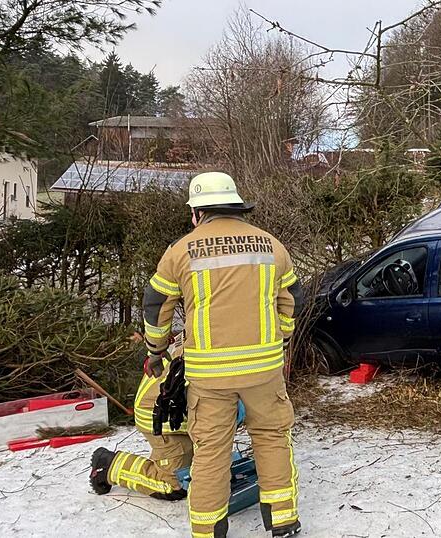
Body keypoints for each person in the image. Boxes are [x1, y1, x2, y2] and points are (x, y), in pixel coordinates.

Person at [142, 172, 300, 538]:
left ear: (197, 212)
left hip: (210, 376)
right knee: (272, 439)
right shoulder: (271, 245)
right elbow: (292, 299)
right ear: (238, 207)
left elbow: (156, 304)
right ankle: (283, 520)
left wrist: (156, 351)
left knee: (211, 450)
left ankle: (208, 529)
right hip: (264, 370)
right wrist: (283, 340)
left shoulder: (181, 250)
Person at [89, 332, 192, 501]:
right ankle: (108, 465)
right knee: (175, 485)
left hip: (173, 407)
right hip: (163, 416)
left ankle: (170, 460)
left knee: (200, 470)